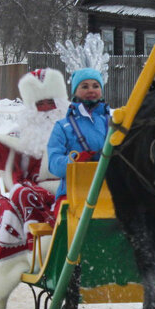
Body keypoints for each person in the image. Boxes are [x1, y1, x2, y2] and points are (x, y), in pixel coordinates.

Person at [0, 69, 70, 309]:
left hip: (75, 194)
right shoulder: (20, 139)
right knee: (18, 196)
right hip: (34, 201)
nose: (46, 110)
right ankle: (34, 256)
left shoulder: (76, 133)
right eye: (39, 104)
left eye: (51, 103)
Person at [46, 67, 110, 209]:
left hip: (110, 192)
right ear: (74, 91)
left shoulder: (113, 123)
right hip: (71, 194)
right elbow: (53, 163)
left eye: (96, 86)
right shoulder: (62, 126)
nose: (91, 90)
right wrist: (73, 161)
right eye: (84, 86)